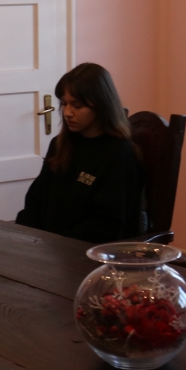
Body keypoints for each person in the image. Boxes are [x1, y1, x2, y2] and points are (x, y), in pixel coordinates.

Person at [15, 63, 144, 243]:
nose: (67, 113)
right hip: (49, 245)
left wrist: (55, 244)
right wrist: (25, 235)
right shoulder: (59, 145)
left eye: (77, 105)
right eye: (64, 104)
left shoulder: (119, 154)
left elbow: (107, 225)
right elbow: (36, 201)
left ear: (101, 106)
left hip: (87, 251)